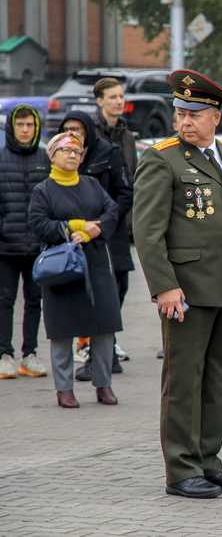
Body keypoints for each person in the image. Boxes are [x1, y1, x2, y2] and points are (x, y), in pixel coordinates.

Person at [133, 69, 222, 499]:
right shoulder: (161, 158)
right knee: (185, 379)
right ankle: (181, 468)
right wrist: (165, 286)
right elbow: (147, 231)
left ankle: (209, 460)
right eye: (180, 113)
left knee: (218, 379)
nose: (185, 121)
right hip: (186, 290)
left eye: (195, 114)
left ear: (216, 118)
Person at [28, 132, 119, 408]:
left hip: (96, 264)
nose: (72, 156)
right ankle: (64, 388)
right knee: (62, 330)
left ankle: (103, 385)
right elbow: (38, 223)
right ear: (52, 155)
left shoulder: (92, 184)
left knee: (104, 326)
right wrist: (74, 227)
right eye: (66, 151)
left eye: (77, 152)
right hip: (62, 268)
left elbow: (111, 212)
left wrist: (93, 232)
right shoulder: (43, 190)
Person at [57, 111, 132, 381]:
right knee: (86, 300)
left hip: (110, 237)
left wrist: (102, 224)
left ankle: (106, 352)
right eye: (67, 128)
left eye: (78, 128)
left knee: (113, 296)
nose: (73, 133)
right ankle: (95, 354)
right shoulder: (63, 156)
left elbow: (125, 194)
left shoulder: (108, 153)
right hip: (76, 243)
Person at [0, 106, 49, 380]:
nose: (26, 129)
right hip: (6, 246)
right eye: (21, 125)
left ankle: (29, 355)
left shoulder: (45, 158)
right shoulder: (1, 158)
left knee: (34, 301)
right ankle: (4, 355)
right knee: (5, 301)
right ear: (12, 127)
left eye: (30, 124)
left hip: (37, 247)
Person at [92, 77, 138, 360]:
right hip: (95, 220)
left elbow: (131, 177)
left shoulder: (127, 135)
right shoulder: (91, 133)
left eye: (121, 96)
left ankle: (108, 336)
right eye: (113, 97)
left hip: (120, 219)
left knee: (121, 280)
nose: (119, 101)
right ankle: (89, 341)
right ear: (100, 102)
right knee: (97, 282)